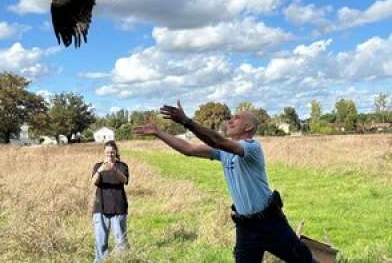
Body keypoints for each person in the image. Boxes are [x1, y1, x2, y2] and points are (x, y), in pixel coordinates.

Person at [133, 101, 315, 263]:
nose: (230, 121)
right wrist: (158, 132)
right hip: (246, 227)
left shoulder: (252, 147)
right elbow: (188, 149)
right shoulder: (223, 151)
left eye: (236, 118)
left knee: (303, 260)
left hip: (270, 222)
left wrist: (187, 122)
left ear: (248, 127)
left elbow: (217, 140)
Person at [91, 140, 129, 263]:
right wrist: (100, 170)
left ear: (116, 152)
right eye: (107, 153)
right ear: (104, 152)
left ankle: (123, 260)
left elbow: (124, 180)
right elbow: (93, 182)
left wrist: (114, 169)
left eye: (112, 152)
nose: (110, 155)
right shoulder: (97, 166)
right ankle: (100, 261)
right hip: (100, 207)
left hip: (119, 207)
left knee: (120, 240)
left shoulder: (122, 166)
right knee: (100, 239)